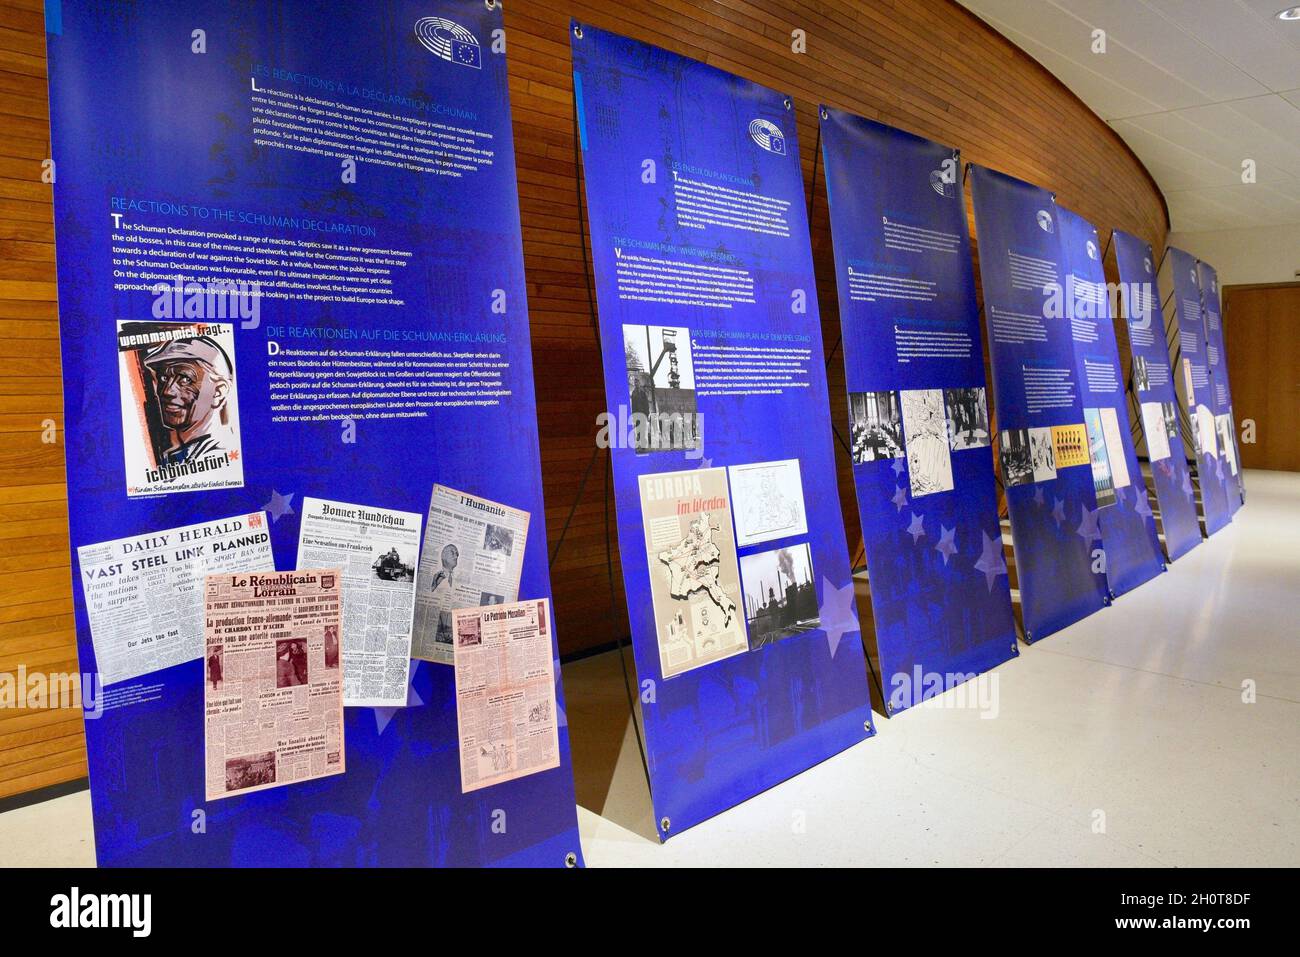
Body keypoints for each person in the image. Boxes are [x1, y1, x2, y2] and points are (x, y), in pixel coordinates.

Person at [141, 336, 235, 466]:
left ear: (218, 392)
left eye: (185, 379)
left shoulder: (221, 454)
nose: (167, 391)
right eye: (163, 378)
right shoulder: (173, 458)